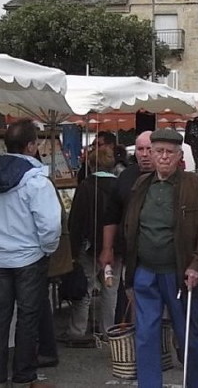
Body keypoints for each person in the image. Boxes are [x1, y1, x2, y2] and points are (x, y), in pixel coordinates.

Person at [122, 128, 198, 388]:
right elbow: (131, 228)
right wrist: (129, 275)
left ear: (179, 156)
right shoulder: (141, 185)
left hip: (180, 273)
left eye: (169, 152)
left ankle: (197, 385)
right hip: (145, 271)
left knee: (188, 335)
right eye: (158, 152)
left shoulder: (194, 184)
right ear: (151, 155)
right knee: (145, 335)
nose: (163, 157)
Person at [0, 118, 61, 388]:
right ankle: (23, 377)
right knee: (27, 319)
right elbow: (51, 224)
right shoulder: (37, 180)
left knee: (0, 318)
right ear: (31, 146)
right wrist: (46, 249)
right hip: (30, 257)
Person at [64, 146, 120, 346]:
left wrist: (73, 249)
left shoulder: (86, 186)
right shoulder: (120, 186)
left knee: (84, 290)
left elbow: (76, 220)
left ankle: (78, 330)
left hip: (89, 247)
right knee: (110, 290)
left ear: (90, 164)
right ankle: (109, 330)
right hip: (116, 248)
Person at [99, 130, 154, 324]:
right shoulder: (125, 177)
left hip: (162, 253)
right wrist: (107, 249)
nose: (145, 154)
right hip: (131, 253)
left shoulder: (169, 178)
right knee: (133, 298)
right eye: (140, 149)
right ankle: (137, 343)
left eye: (149, 149)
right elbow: (111, 215)